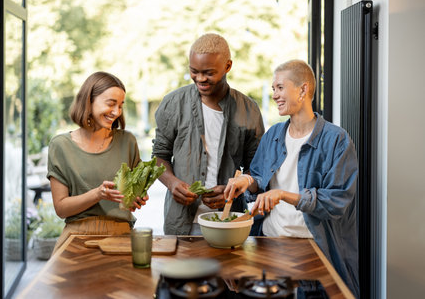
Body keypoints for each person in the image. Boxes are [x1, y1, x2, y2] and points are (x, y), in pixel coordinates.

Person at [224, 60, 359, 297]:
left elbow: (337, 201)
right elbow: (259, 178)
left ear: (303, 89)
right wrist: (247, 181)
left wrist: (284, 195)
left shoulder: (336, 140)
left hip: (313, 249)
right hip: (268, 244)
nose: (275, 95)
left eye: (280, 88)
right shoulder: (274, 135)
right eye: (273, 89)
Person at [152, 33, 265, 235]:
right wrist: (172, 183)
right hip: (180, 224)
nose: (200, 78)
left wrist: (232, 192)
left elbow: (256, 170)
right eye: (194, 71)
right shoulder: (172, 104)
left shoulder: (249, 109)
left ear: (228, 67)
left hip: (228, 221)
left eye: (209, 73)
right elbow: (159, 156)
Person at [47, 71, 148, 253]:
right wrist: (98, 194)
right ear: (89, 101)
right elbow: (61, 208)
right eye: (111, 104)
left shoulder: (128, 142)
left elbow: (130, 199)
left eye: (121, 106)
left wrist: (136, 199)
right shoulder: (60, 145)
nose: (117, 112)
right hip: (76, 237)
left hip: (121, 235)